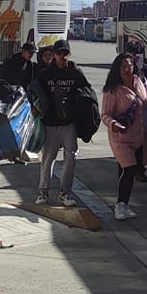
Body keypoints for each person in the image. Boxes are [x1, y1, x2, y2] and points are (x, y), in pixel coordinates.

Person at [34, 41, 91, 206]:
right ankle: (43, 192)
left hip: (69, 124)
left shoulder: (76, 73)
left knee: (71, 157)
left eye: (65, 53)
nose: (62, 57)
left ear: (69, 54)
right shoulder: (45, 74)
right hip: (50, 123)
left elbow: (87, 91)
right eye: (59, 54)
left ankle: (65, 193)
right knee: (47, 158)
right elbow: (35, 93)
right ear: (54, 55)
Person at [101, 52, 147, 221]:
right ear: (117, 69)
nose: (127, 69)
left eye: (129, 66)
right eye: (123, 66)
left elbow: (145, 97)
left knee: (127, 170)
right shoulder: (112, 91)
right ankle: (120, 205)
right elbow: (105, 114)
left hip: (139, 136)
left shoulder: (139, 82)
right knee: (130, 169)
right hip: (121, 137)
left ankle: (124, 204)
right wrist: (113, 125)